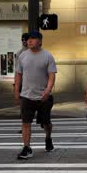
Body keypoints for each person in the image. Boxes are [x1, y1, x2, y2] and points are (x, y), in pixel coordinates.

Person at [14, 31, 57, 159]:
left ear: (40, 41)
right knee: (26, 122)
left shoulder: (48, 56)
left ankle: (48, 138)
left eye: (33, 39)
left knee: (46, 123)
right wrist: (16, 90)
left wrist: (48, 90)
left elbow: (51, 75)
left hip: (44, 96)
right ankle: (27, 148)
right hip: (26, 96)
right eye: (28, 39)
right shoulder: (22, 56)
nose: (30, 41)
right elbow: (18, 74)